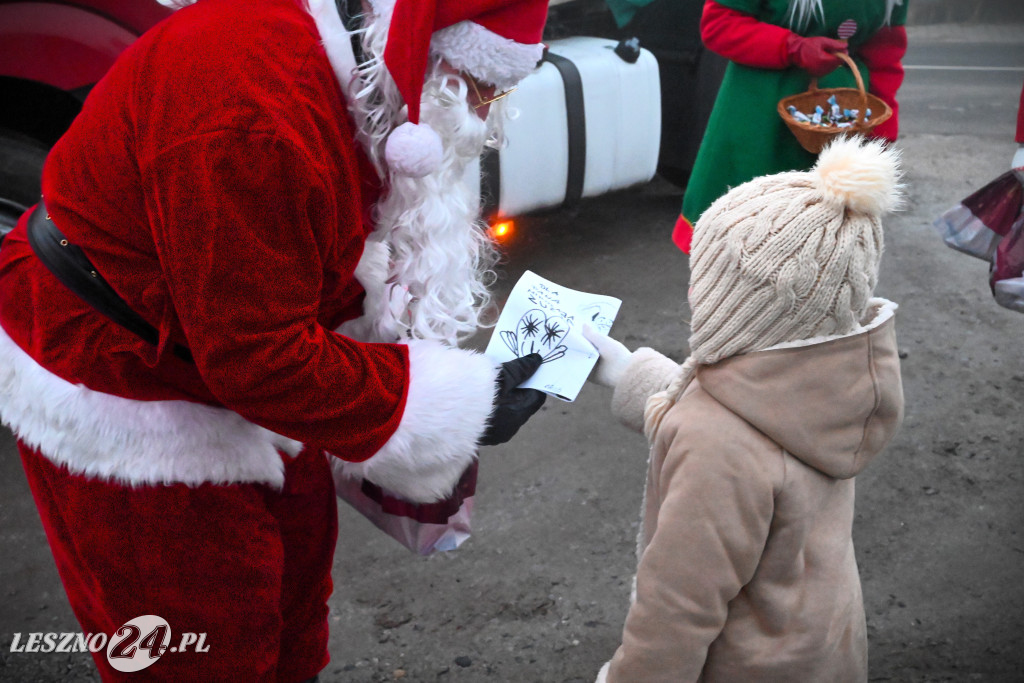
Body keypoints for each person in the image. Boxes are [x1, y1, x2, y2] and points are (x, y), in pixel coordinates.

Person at [0, 0, 551, 680]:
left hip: (216, 342)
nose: (487, 114)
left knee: (293, 600)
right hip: (117, 371)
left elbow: (293, 265)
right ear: (425, 50)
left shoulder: (344, 73)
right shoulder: (255, 102)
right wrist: (457, 403)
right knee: (201, 645)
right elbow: (255, 353)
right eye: (484, 84)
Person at [584, 136, 905, 681]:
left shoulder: (717, 443)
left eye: (704, 278)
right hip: (819, 648)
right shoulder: (827, 382)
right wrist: (628, 371)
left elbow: (677, 612)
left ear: (741, 305)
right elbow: (746, 429)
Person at [673, 0, 908, 252]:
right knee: (740, 241)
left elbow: (885, 52)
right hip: (758, 115)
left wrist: (881, 131)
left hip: (840, 123)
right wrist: (792, 46)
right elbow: (719, 23)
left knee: (822, 250)